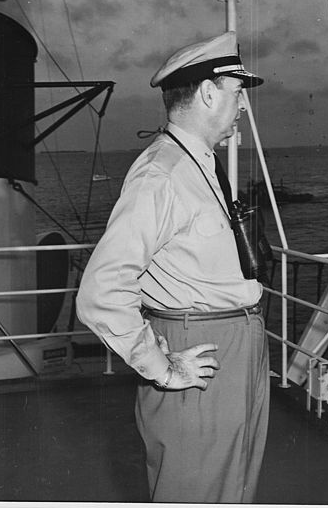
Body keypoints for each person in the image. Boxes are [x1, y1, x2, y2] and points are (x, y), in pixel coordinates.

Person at [76, 31, 269, 503]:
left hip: (239, 348)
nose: (242, 107)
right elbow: (101, 291)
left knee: (234, 488)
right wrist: (160, 368)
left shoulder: (200, 164)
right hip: (198, 350)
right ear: (208, 93)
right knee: (195, 489)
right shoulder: (161, 173)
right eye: (237, 93)